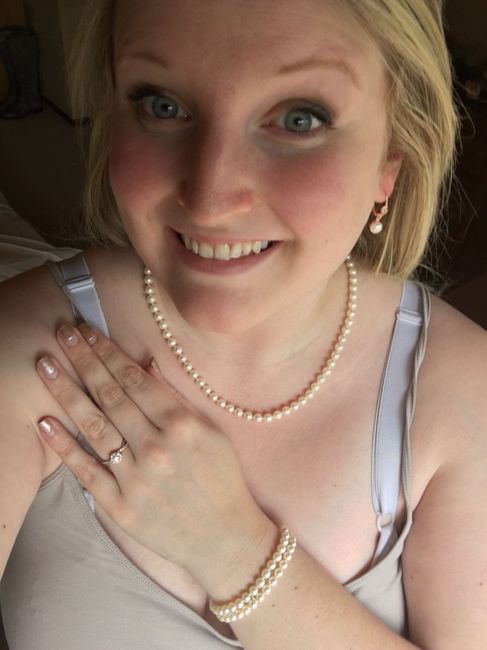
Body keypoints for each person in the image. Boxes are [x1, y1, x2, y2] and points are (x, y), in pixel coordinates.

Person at [0, 0, 486, 648]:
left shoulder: (463, 391)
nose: (210, 198)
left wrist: (236, 552)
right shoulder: (29, 347)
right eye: (162, 105)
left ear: (389, 159)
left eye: (300, 118)